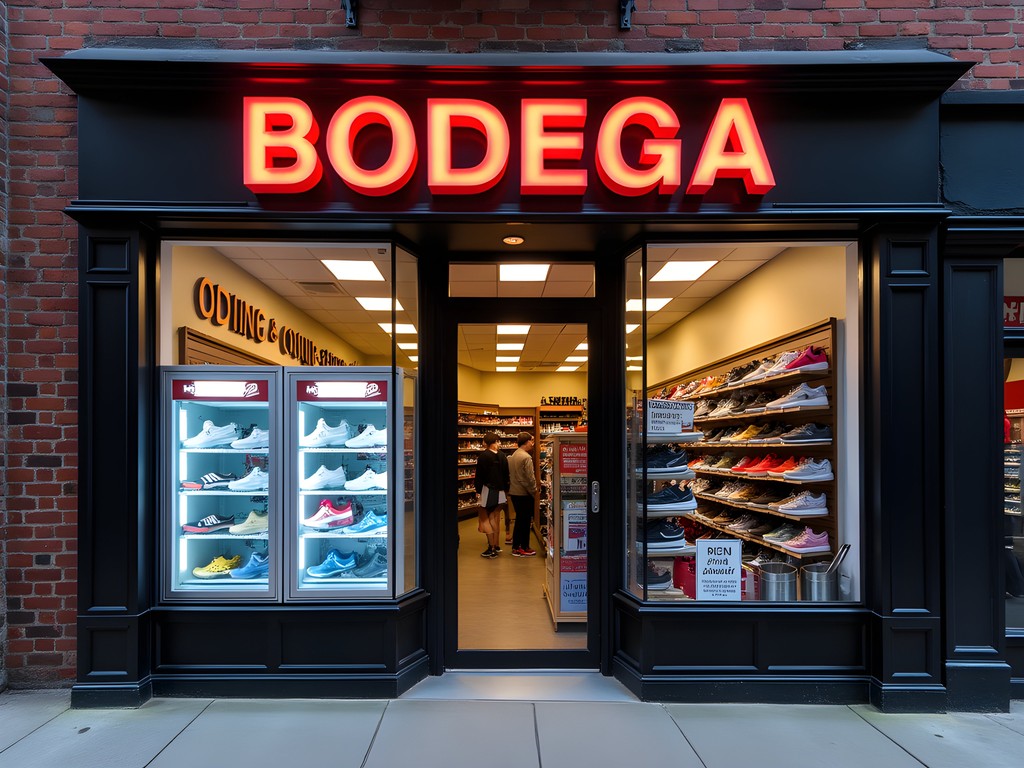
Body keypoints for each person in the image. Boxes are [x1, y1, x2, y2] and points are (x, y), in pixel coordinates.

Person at [474, 431, 509, 558]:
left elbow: (479, 477)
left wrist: (478, 491)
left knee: (484, 518)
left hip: (488, 490)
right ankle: (496, 545)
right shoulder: (502, 456)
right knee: (495, 517)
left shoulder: (483, 457)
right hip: (501, 491)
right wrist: (506, 489)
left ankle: (491, 547)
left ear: (485, 443)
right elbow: (506, 475)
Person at [508, 431, 538, 557]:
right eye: (531, 441)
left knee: (519, 520)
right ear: (526, 442)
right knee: (525, 521)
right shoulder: (526, 457)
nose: (533, 443)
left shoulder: (513, 455)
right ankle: (523, 547)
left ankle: (516, 546)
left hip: (514, 492)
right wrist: (534, 490)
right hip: (523, 493)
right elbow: (529, 478)